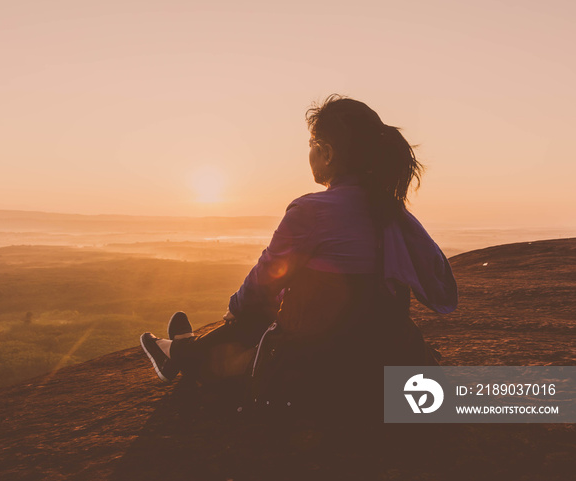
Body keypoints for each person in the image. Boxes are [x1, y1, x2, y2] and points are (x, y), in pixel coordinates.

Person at [140, 95, 457, 414]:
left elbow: (267, 273)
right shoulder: (395, 215)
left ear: (327, 153)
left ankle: (177, 354)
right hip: (378, 348)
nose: (309, 152)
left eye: (312, 143)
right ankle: (180, 349)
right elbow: (443, 288)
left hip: (318, 356)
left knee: (258, 304)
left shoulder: (311, 210)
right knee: (289, 294)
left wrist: (236, 306)